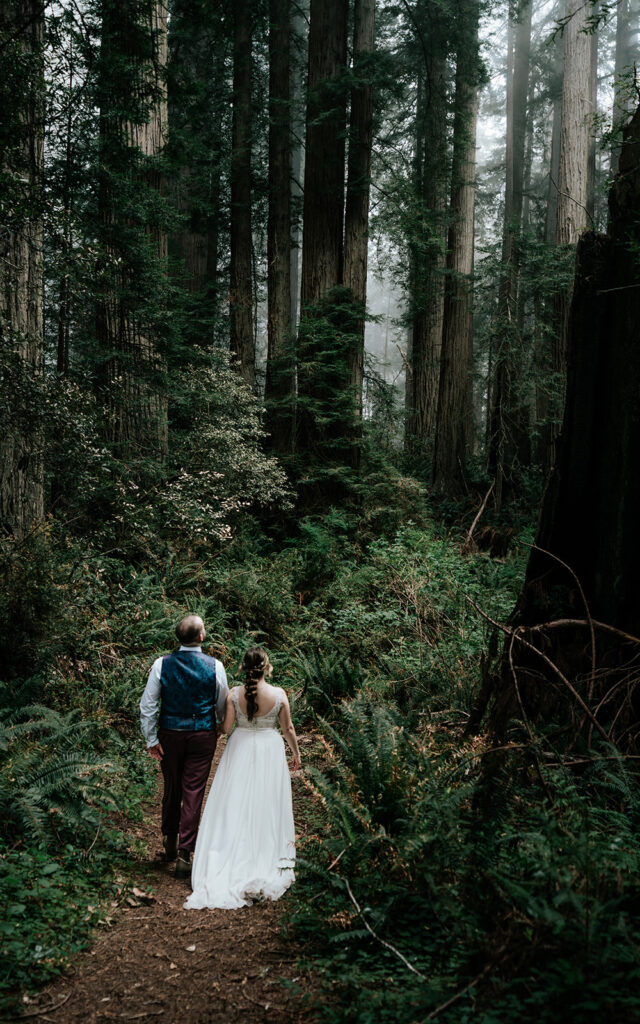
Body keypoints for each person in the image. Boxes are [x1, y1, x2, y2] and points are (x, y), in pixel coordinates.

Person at [184, 646, 301, 910]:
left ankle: (230, 852)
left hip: (240, 746)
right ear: (267, 665)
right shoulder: (279, 694)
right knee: (267, 802)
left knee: (234, 801)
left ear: (244, 667)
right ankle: (265, 852)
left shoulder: (234, 694)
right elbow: (288, 728)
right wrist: (296, 753)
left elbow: (226, 728)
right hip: (270, 749)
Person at [139, 614, 229, 879]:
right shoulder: (215, 666)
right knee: (193, 790)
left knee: (172, 786)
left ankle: (169, 839)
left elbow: (148, 705)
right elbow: (222, 702)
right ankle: (185, 854)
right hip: (202, 733)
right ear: (201, 637)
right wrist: (219, 726)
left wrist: (151, 739)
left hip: (170, 734)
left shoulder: (161, 664)